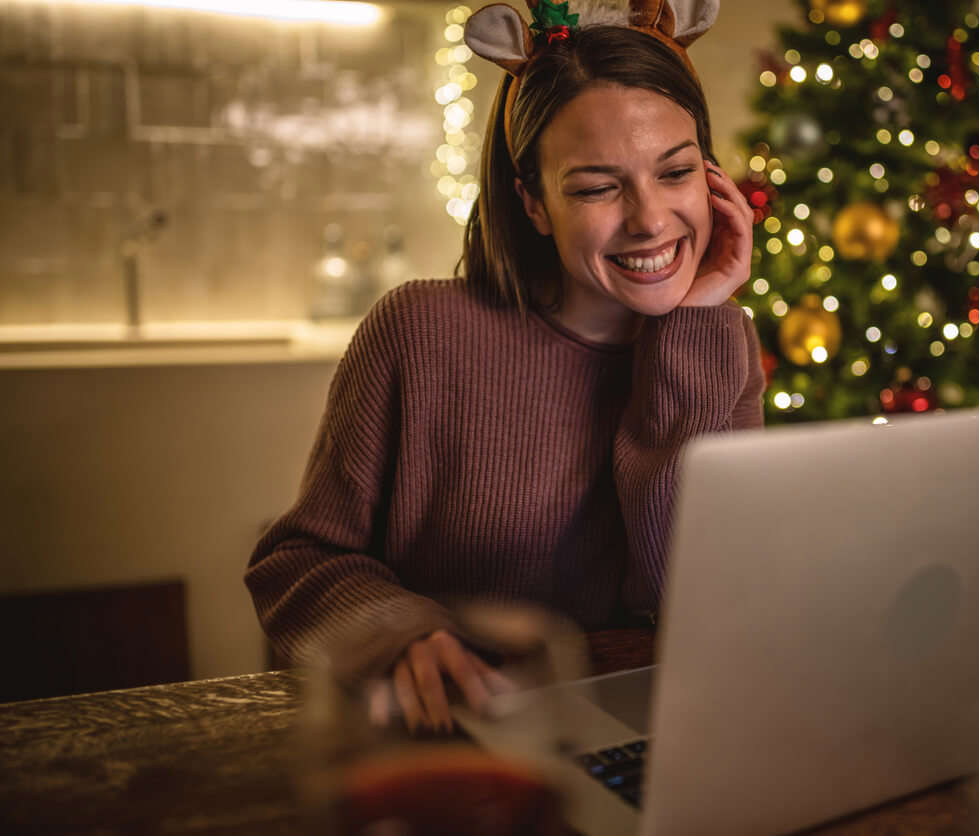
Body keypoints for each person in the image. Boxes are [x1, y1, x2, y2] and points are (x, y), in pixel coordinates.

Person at [245, 0, 762, 734]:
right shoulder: (420, 331)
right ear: (534, 203)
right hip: (449, 736)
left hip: (640, 731)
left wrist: (695, 324)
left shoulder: (717, 346)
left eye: (674, 172)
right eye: (594, 187)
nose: (650, 219)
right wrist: (398, 630)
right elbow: (298, 561)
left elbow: (691, 596)